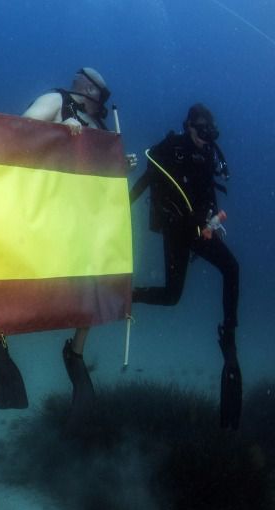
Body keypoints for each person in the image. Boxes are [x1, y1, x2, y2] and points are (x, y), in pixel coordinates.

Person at [0, 68, 130, 413]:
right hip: (40, 206)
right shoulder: (56, 101)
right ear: (86, 89)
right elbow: (20, 129)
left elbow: (100, 172)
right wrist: (58, 132)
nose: (102, 102)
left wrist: (122, 165)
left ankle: (75, 352)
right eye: (100, 94)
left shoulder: (102, 130)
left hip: (78, 218)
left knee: (94, 277)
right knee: (21, 274)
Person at [129, 103, 240, 429]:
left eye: (211, 132)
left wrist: (212, 222)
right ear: (190, 126)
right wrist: (122, 206)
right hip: (177, 231)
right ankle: (130, 295)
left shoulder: (210, 153)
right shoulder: (173, 148)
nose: (208, 137)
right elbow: (147, 179)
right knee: (171, 296)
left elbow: (210, 194)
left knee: (232, 268)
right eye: (203, 130)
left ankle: (228, 333)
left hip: (201, 230)